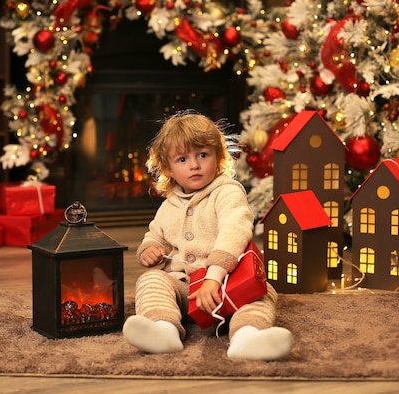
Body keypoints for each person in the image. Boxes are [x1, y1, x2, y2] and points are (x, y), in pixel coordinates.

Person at [122, 109, 293, 361]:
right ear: (167, 168)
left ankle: (247, 336)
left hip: (228, 285)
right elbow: (155, 235)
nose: (194, 165)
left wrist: (213, 277)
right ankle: (164, 329)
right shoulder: (170, 204)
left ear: (219, 156)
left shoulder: (227, 192)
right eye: (182, 159)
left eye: (202, 155)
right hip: (184, 287)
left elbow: (235, 231)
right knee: (151, 280)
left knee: (262, 293)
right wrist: (149, 250)